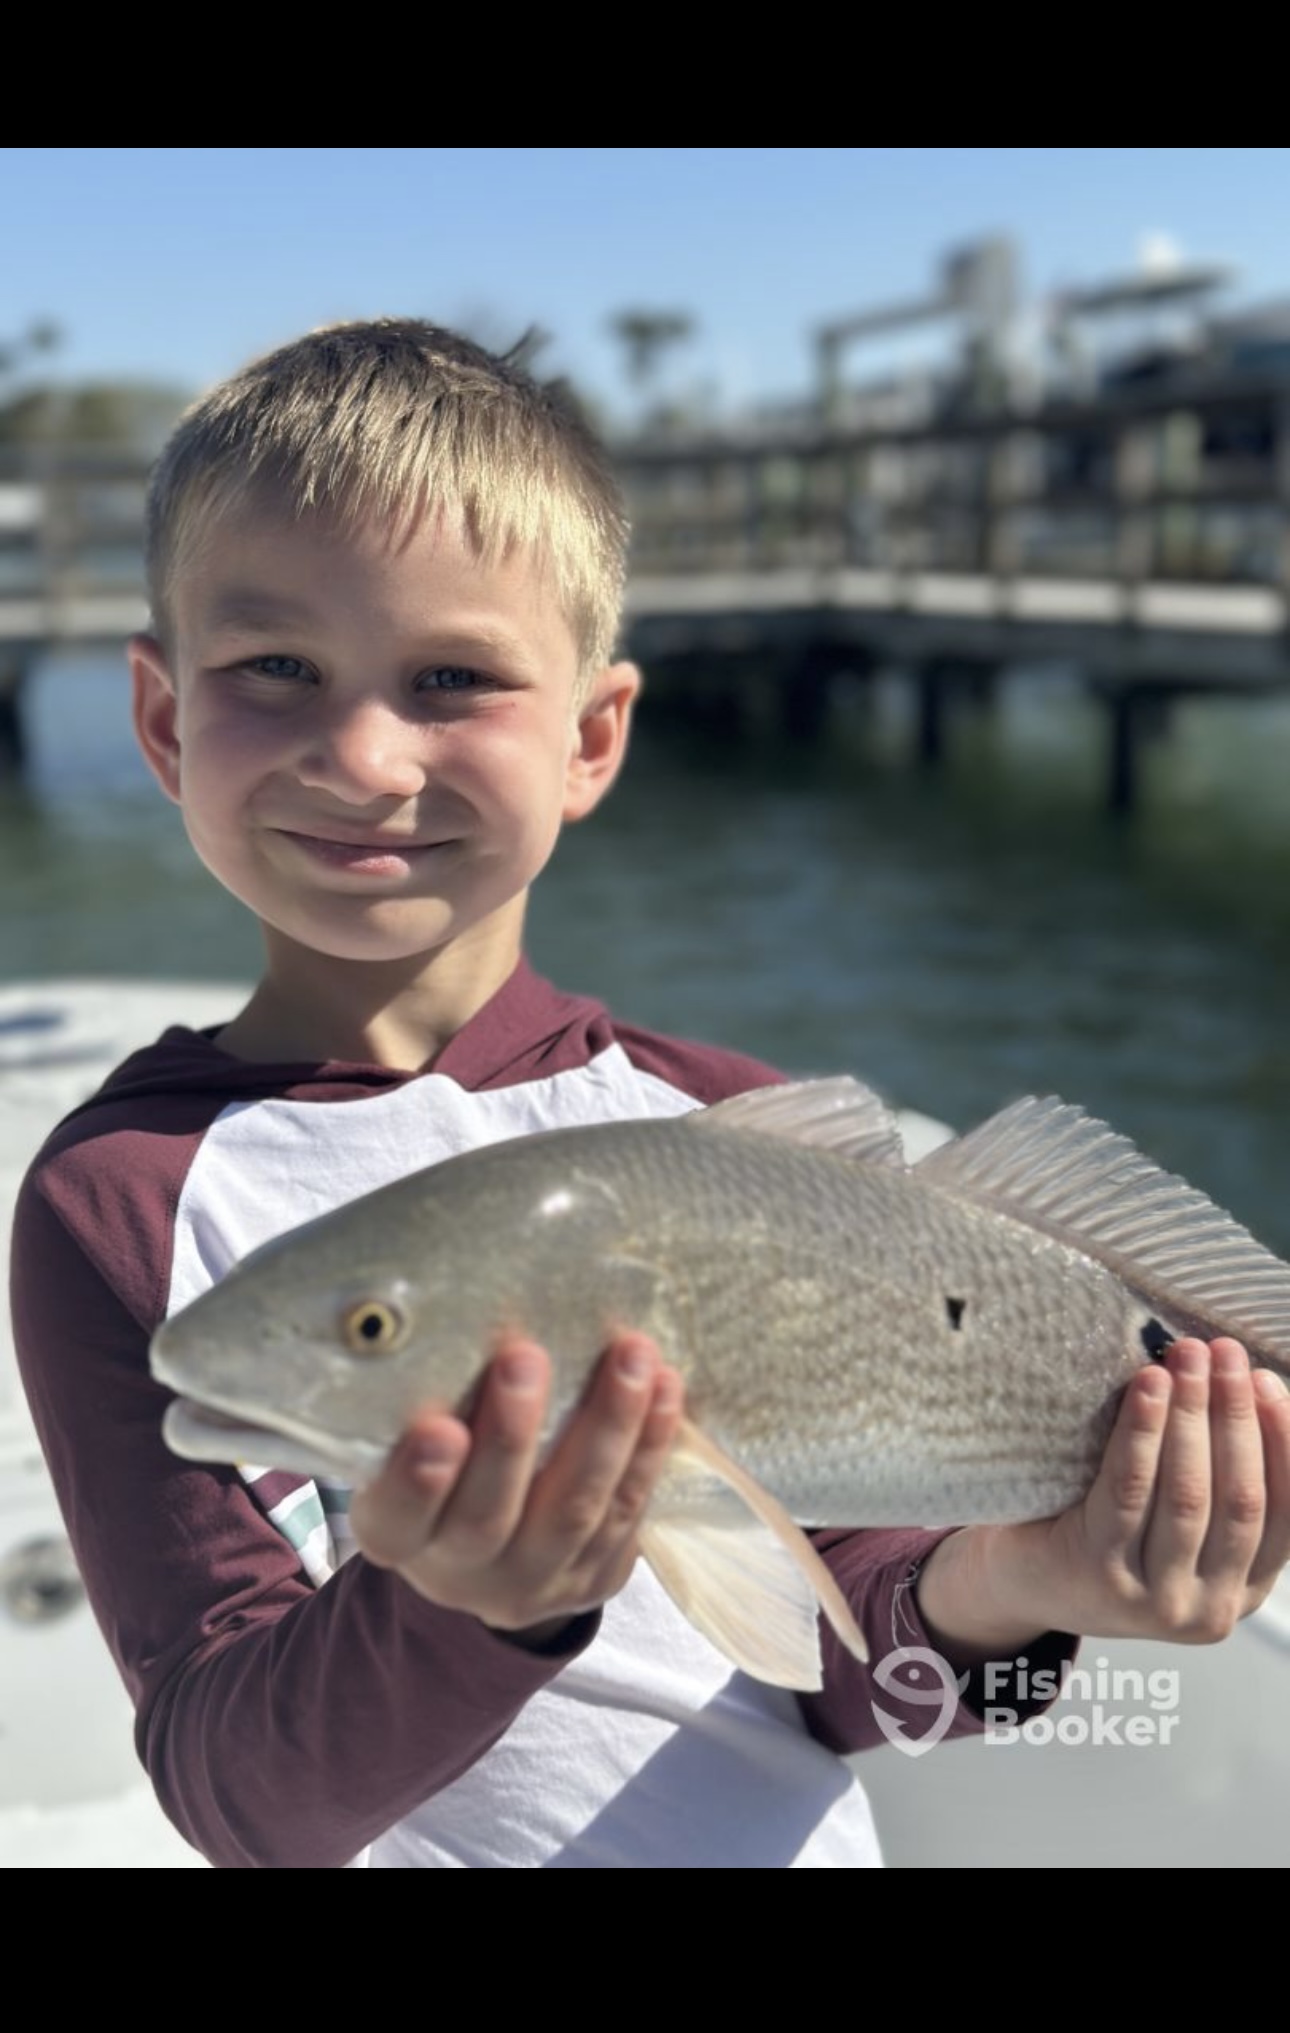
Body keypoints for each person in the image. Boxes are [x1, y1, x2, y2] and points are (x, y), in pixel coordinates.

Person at [11, 319, 1290, 1870]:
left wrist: (1031, 1583)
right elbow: (241, 1804)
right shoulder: (120, 1199)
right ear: (163, 719)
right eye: (276, 668)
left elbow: (839, 1681)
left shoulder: (720, 1117)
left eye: (450, 678)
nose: (363, 755)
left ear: (592, 736)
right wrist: (471, 1604)